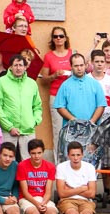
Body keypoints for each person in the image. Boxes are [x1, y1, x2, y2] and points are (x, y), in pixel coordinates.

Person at [53, 53, 107, 151]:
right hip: (72, 130)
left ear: (86, 65)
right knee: (73, 160)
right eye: (76, 66)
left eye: (81, 65)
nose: (79, 68)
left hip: (92, 129)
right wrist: (74, 120)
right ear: (71, 67)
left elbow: (101, 105)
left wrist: (92, 122)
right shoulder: (65, 85)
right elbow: (60, 106)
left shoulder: (94, 84)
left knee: (91, 162)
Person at [0, 54, 41, 160]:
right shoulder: (1, 82)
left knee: (29, 160)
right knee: (7, 160)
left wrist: (34, 121)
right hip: (8, 130)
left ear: (25, 67)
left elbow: (37, 105)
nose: (18, 68)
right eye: (15, 65)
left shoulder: (32, 83)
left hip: (28, 129)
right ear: (10, 67)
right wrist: (9, 127)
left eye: (20, 65)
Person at [40, 26, 74, 162]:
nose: (58, 39)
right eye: (55, 36)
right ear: (52, 40)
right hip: (56, 95)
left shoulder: (72, 53)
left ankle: (73, 160)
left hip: (72, 97)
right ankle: (59, 163)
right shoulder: (48, 56)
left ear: (65, 38)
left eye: (61, 36)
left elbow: (81, 72)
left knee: (73, 129)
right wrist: (54, 75)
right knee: (58, 130)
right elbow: (43, 79)